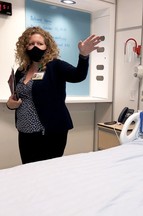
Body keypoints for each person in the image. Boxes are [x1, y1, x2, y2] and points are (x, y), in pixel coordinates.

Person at [6, 26, 102, 164]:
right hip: (24, 131)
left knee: (47, 173)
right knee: (27, 170)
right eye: (31, 43)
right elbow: (17, 97)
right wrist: (10, 104)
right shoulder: (21, 71)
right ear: (25, 47)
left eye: (40, 43)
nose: (35, 47)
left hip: (50, 132)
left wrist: (84, 56)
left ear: (47, 46)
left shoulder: (55, 66)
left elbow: (78, 75)